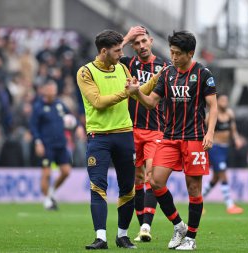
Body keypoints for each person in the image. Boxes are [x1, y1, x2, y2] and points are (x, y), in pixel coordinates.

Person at [126, 30, 218, 250]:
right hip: (169, 138)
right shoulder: (167, 74)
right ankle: (178, 225)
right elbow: (150, 103)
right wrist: (137, 92)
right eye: (172, 52)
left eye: (178, 53)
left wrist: (210, 133)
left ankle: (191, 239)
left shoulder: (203, 74)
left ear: (190, 53)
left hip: (195, 138)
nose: (174, 57)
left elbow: (213, 106)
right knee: (155, 181)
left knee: (193, 189)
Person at [76, 29, 162, 250]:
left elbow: (137, 92)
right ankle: (101, 237)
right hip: (99, 137)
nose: (121, 53)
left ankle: (122, 236)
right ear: (103, 51)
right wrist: (126, 93)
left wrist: (159, 78)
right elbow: (98, 102)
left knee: (128, 189)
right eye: (117, 50)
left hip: (124, 135)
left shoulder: (122, 68)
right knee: (98, 187)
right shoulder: (86, 72)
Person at [120, 26, 171, 243]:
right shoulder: (127, 64)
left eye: (143, 41)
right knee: (137, 179)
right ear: (133, 45)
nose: (141, 46)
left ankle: (147, 227)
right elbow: (106, 57)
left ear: (150, 41)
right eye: (136, 43)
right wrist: (125, 38)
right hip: (130, 131)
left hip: (155, 130)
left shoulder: (164, 67)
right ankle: (142, 227)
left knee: (151, 176)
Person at [29, 80, 72, 210]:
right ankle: (47, 200)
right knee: (46, 174)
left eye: (54, 89)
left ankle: (51, 192)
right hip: (46, 145)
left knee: (66, 172)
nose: (53, 92)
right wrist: (38, 142)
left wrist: (76, 126)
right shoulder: (38, 107)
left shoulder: (60, 105)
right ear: (45, 91)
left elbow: (69, 117)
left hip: (61, 144)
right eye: (50, 89)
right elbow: (33, 126)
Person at [202, 95, 244, 214]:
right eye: (222, 100)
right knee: (223, 174)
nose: (225, 102)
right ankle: (230, 205)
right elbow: (201, 128)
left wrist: (236, 139)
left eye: (226, 100)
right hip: (215, 148)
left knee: (216, 178)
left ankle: (197, 201)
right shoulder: (211, 115)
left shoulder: (230, 114)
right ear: (217, 102)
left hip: (225, 148)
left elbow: (233, 129)